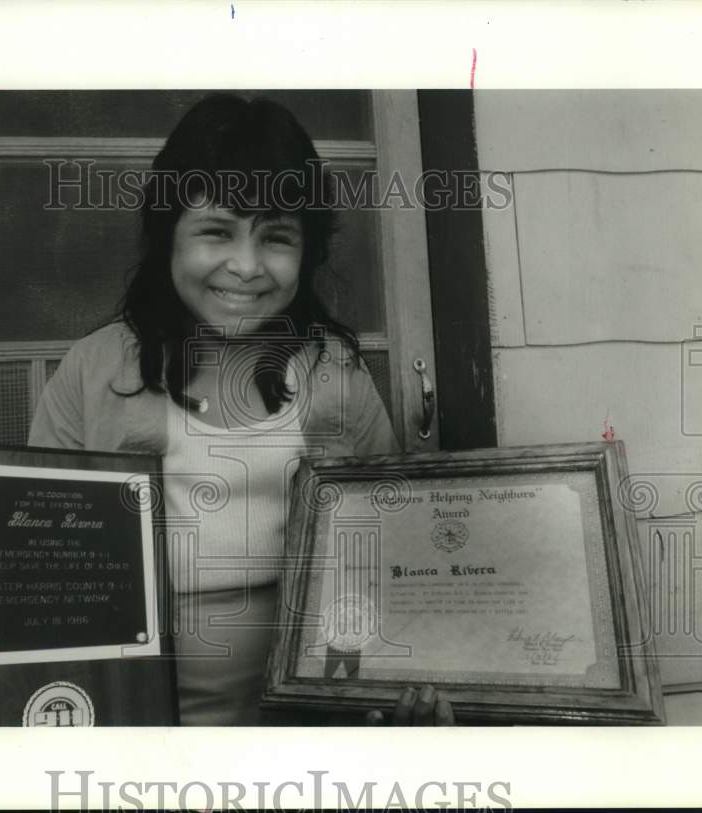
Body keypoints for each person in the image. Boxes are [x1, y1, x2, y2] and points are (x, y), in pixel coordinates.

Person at [29, 93, 452, 726]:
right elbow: (41, 575)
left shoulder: (335, 373)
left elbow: (387, 558)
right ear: (166, 234)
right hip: (135, 719)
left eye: (276, 238)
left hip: (314, 720)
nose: (247, 267)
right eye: (216, 232)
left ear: (306, 251)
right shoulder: (92, 372)